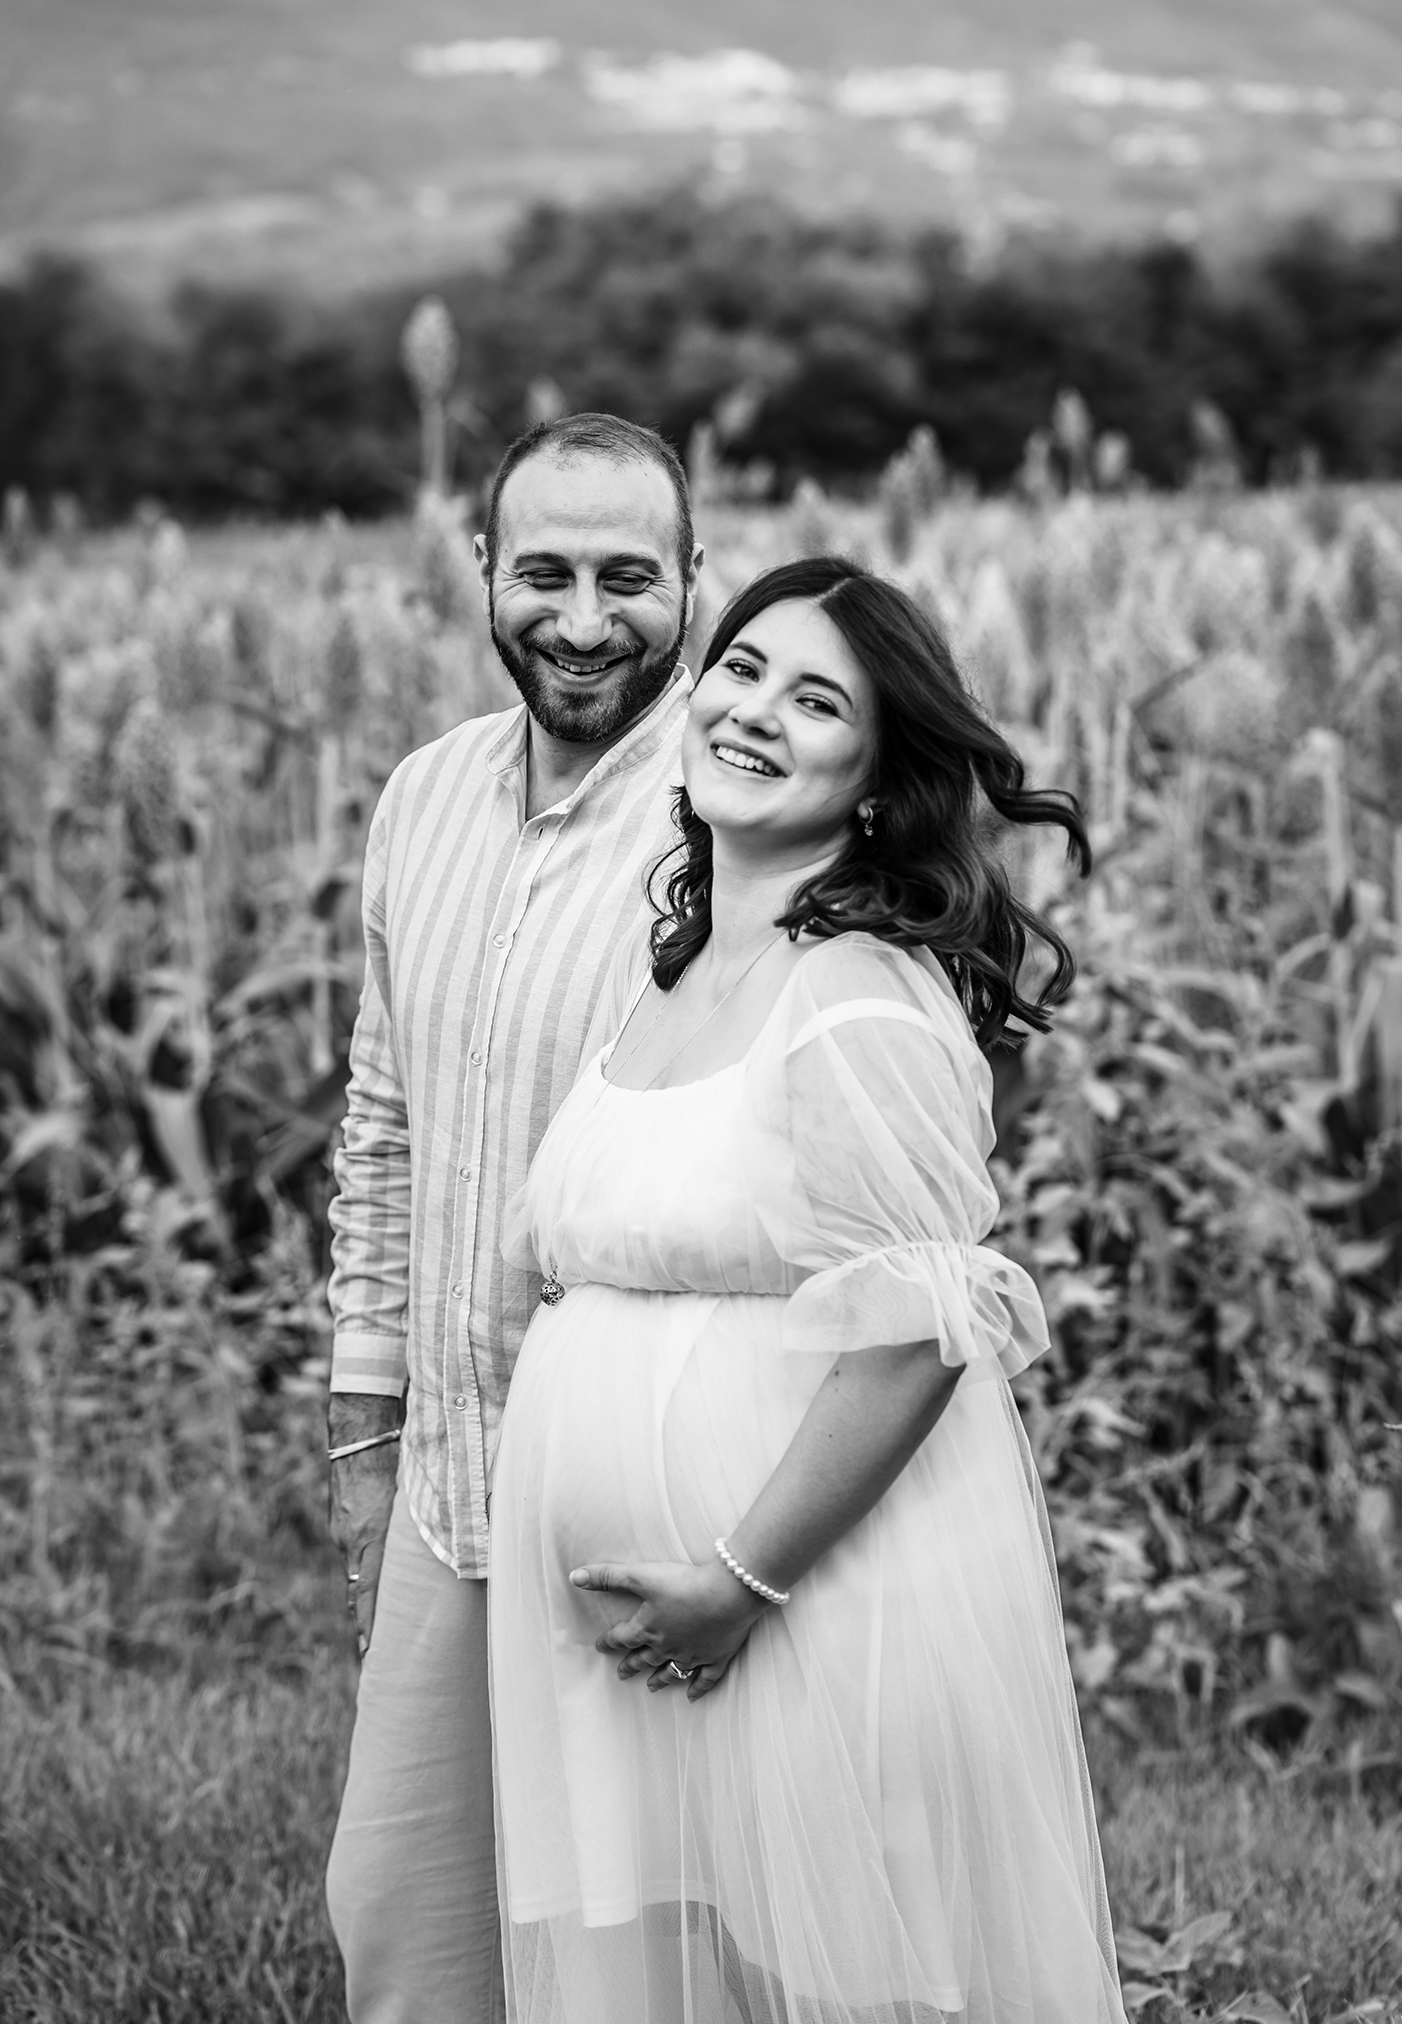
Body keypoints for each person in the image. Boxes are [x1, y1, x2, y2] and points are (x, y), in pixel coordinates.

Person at [490, 558, 1128, 2024]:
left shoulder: (853, 992)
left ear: (877, 784)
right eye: (741, 669)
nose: (756, 711)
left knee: (837, 1981)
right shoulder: (670, 977)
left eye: (818, 700)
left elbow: (918, 1337)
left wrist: (739, 1582)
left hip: (797, 1606)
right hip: (646, 1636)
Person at [323, 412, 702, 2024]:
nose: (584, 619)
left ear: (693, 578)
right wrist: (363, 1430)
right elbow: (384, 1124)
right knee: (404, 1924)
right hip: (448, 1474)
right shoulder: (423, 796)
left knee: (643, 1946)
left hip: (643, 1489)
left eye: (629, 576)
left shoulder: (730, 818)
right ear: (482, 569)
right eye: (543, 572)